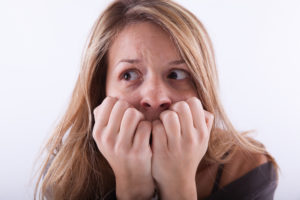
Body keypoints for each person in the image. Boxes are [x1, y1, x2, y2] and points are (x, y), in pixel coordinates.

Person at [34, 0, 278, 199]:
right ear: (101, 90)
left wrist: (178, 186)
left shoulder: (247, 168)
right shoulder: (67, 174)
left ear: (202, 90)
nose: (154, 98)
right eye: (129, 75)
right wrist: (133, 190)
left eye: (176, 74)